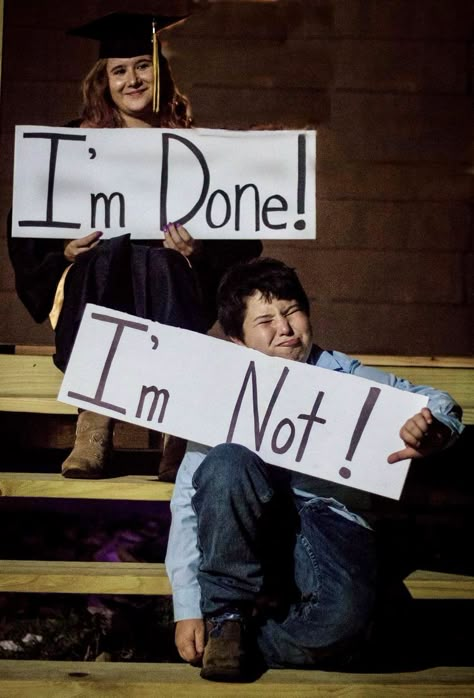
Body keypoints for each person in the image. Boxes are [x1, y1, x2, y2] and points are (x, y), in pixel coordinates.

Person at [165, 256, 464, 682]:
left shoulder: (343, 372)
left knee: (343, 624)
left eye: (291, 312)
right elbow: (188, 503)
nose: (284, 329)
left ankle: (251, 639)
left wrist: (434, 430)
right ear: (237, 339)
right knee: (226, 462)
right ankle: (226, 617)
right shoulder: (223, 394)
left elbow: (435, 401)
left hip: (329, 523)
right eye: (265, 320)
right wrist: (189, 604)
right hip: (248, 530)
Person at [7, 11, 262, 480]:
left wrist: (198, 251)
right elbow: (27, 226)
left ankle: (175, 426)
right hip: (97, 284)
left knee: (161, 261)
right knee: (107, 255)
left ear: (160, 73)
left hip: (171, 289)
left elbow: (243, 233)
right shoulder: (73, 143)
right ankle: (95, 421)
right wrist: (64, 251)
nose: (132, 79)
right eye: (119, 70)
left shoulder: (194, 147)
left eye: (142, 65)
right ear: (103, 80)